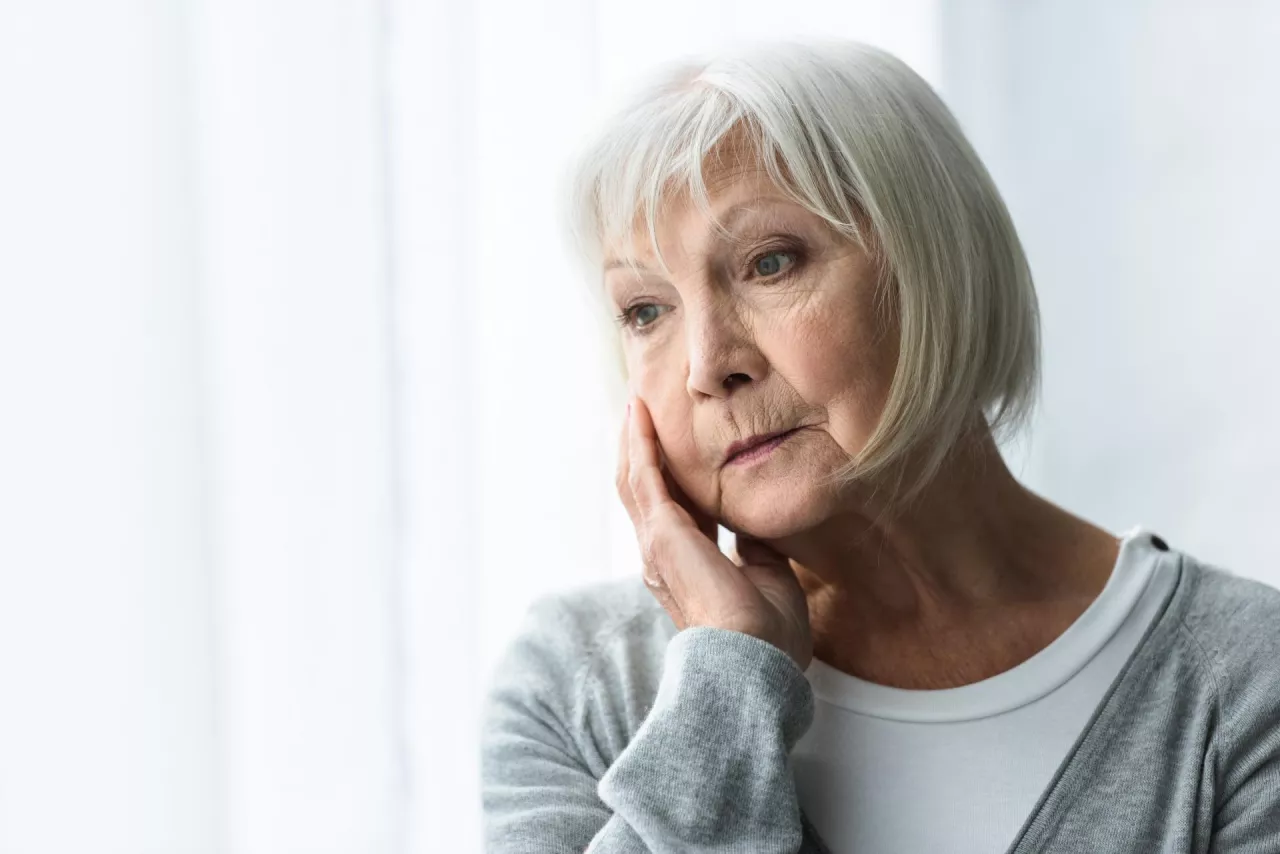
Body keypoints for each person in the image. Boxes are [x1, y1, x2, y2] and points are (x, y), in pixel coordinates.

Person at [479, 37, 1280, 853]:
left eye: (770, 262)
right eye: (645, 311)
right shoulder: (576, 682)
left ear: (939, 263)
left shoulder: (1243, 682)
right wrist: (723, 690)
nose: (708, 366)